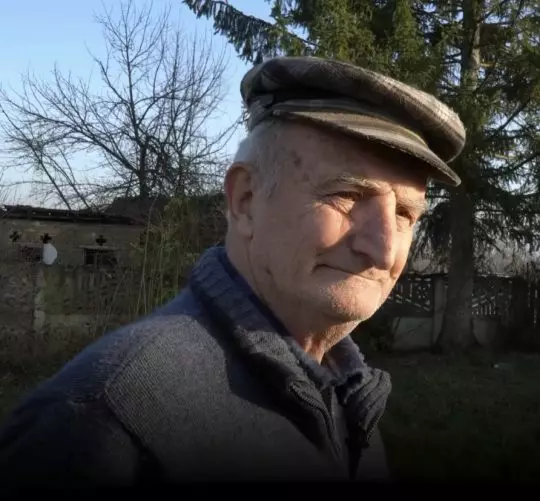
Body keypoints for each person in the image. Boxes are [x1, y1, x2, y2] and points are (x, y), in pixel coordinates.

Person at [0, 56, 465, 487]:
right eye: (347, 194)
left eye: (405, 214)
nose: (383, 249)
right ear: (245, 200)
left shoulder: (349, 393)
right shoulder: (103, 422)